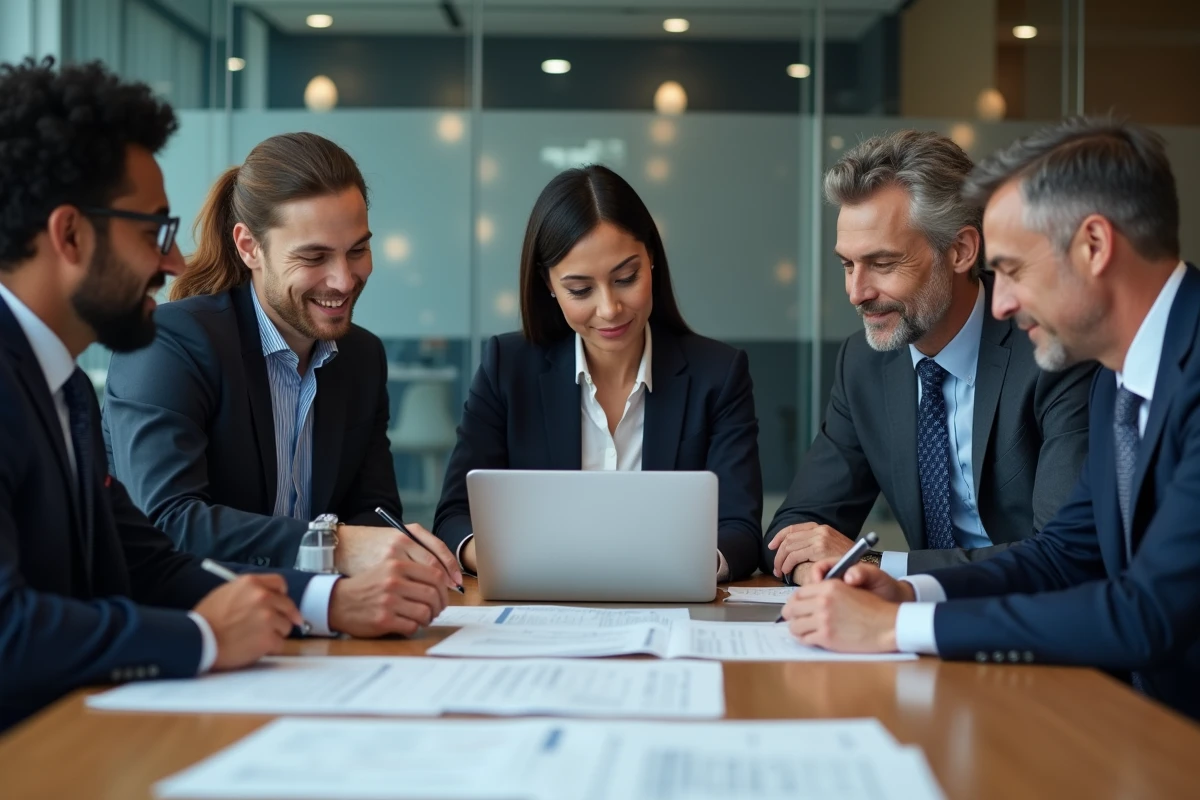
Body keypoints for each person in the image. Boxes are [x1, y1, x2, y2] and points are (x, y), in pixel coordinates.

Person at [0, 58, 447, 729]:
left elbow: (145, 560)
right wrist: (205, 637)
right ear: (69, 234)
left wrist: (328, 602)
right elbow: (9, 630)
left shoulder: (59, 387)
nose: (175, 262)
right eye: (154, 231)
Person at [780, 117, 1200, 721]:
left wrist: (900, 625)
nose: (999, 302)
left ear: (1094, 246)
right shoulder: (1120, 376)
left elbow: (1147, 612)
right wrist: (904, 590)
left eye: (1014, 270)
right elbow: (1063, 555)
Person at [101, 132, 461, 588]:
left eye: (357, 250)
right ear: (249, 247)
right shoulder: (171, 344)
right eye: (314, 256)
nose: (344, 280)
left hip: (323, 625)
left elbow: (373, 510)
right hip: (198, 624)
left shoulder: (361, 357)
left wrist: (396, 551)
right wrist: (334, 544)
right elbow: (169, 521)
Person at [765, 130, 1095, 585]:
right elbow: (794, 529)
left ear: (960, 251)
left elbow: (1066, 557)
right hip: (911, 634)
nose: (856, 293)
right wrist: (820, 571)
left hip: (1035, 630)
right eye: (847, 264)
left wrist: (883, 570)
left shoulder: (1051, 347)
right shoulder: (863, 362)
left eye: (882, 264)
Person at [434, 165, 763, 581]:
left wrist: (684, 570)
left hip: (669, 607)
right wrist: (511, 562)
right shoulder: (507, 366)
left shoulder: (718, 374)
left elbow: (742, 530)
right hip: (538, 607)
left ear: (652, 261)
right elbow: (453, 516)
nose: (609, 309)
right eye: (580, 290)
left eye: (626, 278)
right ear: (549, 285)